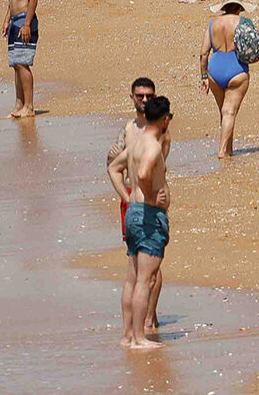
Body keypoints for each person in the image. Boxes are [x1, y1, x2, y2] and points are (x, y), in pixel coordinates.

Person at [109, 86, 172, 350]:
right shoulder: (153, 146)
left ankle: (128, 335)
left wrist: (127, 196)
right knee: (145, 280)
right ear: (165, 119)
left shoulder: (134, 143)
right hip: (148, 215)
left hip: (133, 212)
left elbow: (114, 168)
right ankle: (139, 337)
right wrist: (150, 198)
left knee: (132, 279)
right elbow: (145, 173)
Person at [200, 0, 252, 159]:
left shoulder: (212, 23)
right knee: (230, 112)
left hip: (214, 71)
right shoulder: (243, 23)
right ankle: (223, 151)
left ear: (223, 7)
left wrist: (204, 76)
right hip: (236, 69)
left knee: (224, 112)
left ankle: (229, 149)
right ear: (239, 7)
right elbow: (258, 45)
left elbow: (204, 54)